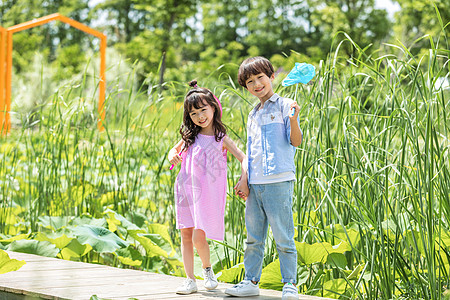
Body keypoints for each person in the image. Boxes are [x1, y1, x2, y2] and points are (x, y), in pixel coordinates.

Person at [226, 56, 302, 300]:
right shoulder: (252, 114)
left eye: (260, 78)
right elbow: (250, 151)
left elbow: (295, 141)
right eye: (250, 81)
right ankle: (250, 281)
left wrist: (293, 118)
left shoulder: (284, 105)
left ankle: (290, 284)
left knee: (283, 237)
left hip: (278, 181)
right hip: (255, 183)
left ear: (272, 77)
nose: (257, 84)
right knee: (253, 238)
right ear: (246, 87)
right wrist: (244, 179)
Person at [169, 80, 248, 295]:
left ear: (214, 107)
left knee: (198, 235)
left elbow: (243, 158)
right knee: (185, 233)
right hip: (186, 189)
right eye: (194, 113)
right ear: (189, 117)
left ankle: (207, 270)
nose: (200, 116)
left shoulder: (220, 138)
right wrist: (173, 155)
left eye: (203, 110)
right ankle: (189, 279)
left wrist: (244, 178)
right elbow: (172, 151)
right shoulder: (189, 137)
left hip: (206, 194)